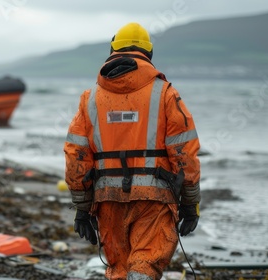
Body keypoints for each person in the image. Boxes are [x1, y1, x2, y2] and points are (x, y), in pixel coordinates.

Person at [64, 22, 201, 280]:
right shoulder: (165, 94)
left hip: (107, 198)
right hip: (154, 197)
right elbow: (184, 153)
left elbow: (76, 155)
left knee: (119, 269)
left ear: (113, 50)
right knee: (145, 264)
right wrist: (190, 202)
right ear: (148, 54)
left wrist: (82, 207)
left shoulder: (90, 97)